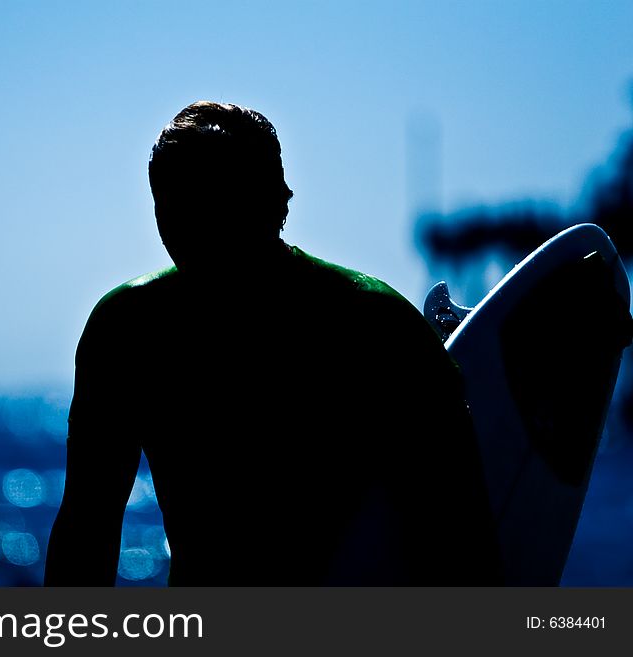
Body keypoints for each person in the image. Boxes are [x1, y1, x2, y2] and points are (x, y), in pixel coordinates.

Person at [44, 101, 502, 585]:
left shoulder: (375, 326)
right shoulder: (128, 332)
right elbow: (86, 532)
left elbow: (463, 536)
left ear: (277, 203)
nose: (194, 229)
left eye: (218, 204)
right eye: (175, 205)